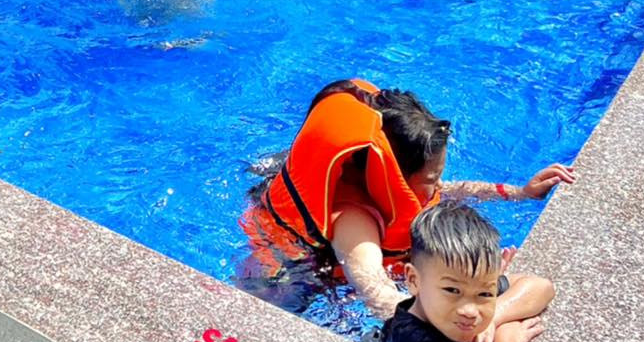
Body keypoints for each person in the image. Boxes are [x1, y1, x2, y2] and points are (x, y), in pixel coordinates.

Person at [237, 79, 574, 321]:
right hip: (297, 272)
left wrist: (519, 193)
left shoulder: (395, 183)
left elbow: (446, 189)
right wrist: (465, 311)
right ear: (392, 175)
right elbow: (379, 295)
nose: (438, 186)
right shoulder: (355, 221)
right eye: (430, 179)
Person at [371, 203, 554, 342]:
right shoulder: (412, 339)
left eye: (485, 294)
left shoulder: (464, 284)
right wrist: (508, 338)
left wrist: (495, 317)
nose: (470, 310)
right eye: (452, 290)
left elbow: (542, 287)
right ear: (413, 280)